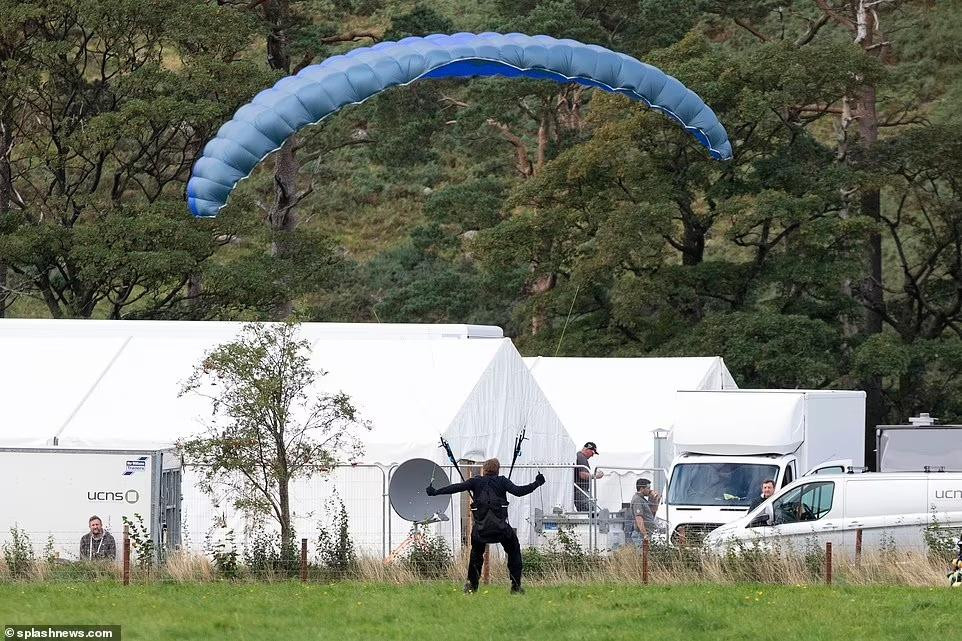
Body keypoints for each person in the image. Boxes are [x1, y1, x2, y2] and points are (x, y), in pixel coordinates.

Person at [427, 458, 545, 593]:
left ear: (484, 470)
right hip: (502, 530)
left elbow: (455, 488)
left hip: (480, 531)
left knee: (476, 555)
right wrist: (537, 483)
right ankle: (516, 586)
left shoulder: (475, 481)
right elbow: (519, 491)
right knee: (514, 550)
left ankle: (472, 586)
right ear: (497, 470)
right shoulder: (502, 481)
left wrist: (435, 492)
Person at [626, 478, 661, 544]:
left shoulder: (643, 499)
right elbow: (639, 518)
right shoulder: (637, 500)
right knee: (641, 554)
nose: (650, 490)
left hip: (647, 533)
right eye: (648, 488)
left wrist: (655, 500)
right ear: (642, 489)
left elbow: (653, 512)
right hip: (640, 535)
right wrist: (645, 534)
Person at [574, 442, 603, 511]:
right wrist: (596, 476)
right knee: (591, 510)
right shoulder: (581, 457)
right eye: (592, 453)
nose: (592, 455)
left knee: (589, 510)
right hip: (580, 490)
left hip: (580, 490)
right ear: (587, 449)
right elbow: (582, 474)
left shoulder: (580, 456)